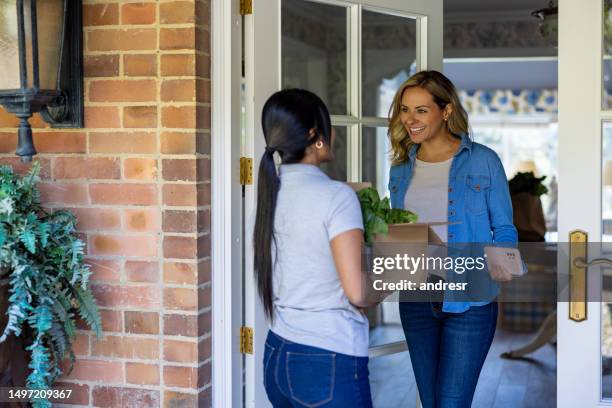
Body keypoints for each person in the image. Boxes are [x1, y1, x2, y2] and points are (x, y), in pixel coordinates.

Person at [387, 70, 516, 408]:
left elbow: (504, 228)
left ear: (445, 111)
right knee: (430, 402)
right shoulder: (400, 169)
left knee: (452, 403)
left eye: (421, 110)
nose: (409, 119)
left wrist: (504, 262)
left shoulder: (483, 160)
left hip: (469, 299)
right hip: (415, 295)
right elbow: (397, 230)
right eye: (404, 109)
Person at [254, 88, 383, 407]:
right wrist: (399, 276)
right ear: (315, 134)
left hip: (277, 354)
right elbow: (358, 293)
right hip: (327, 360)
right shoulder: (337, 196)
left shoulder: (271, 192)